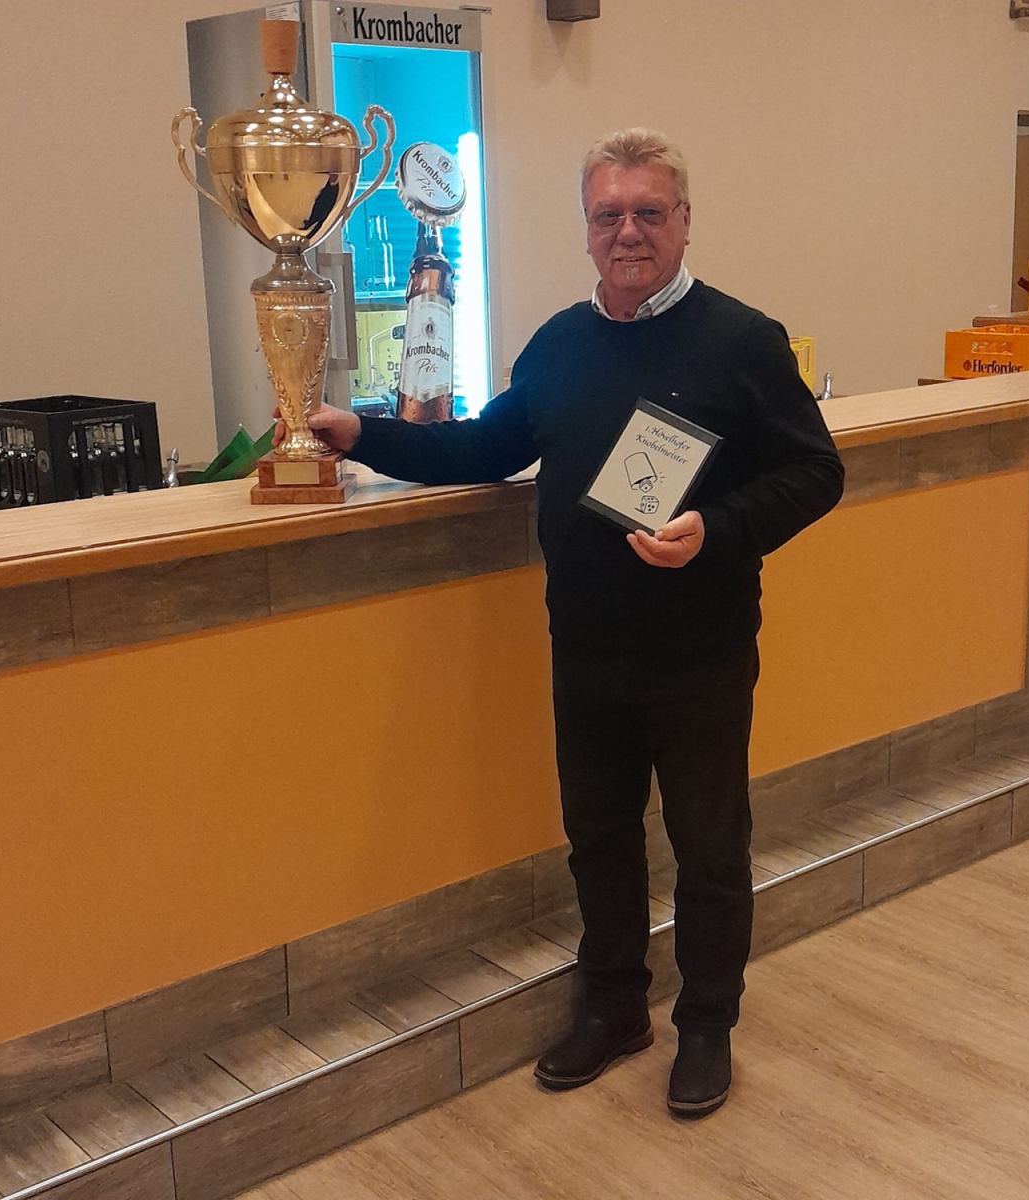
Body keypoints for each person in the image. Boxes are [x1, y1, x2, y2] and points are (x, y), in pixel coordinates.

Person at [290, 129, 844, 1116]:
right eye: (608, 215)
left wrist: (716, 529)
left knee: (710, 846)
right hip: (583, 647)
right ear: (587, 229)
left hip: (701, 650)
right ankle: (615, 1006)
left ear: (684, 222)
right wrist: (365, 434)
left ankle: (706, 1023)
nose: (628, 231)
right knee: (598, 839)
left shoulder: (743, 342)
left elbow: (815, 472)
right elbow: (486, 446)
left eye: (649, 213)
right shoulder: (558, 345)